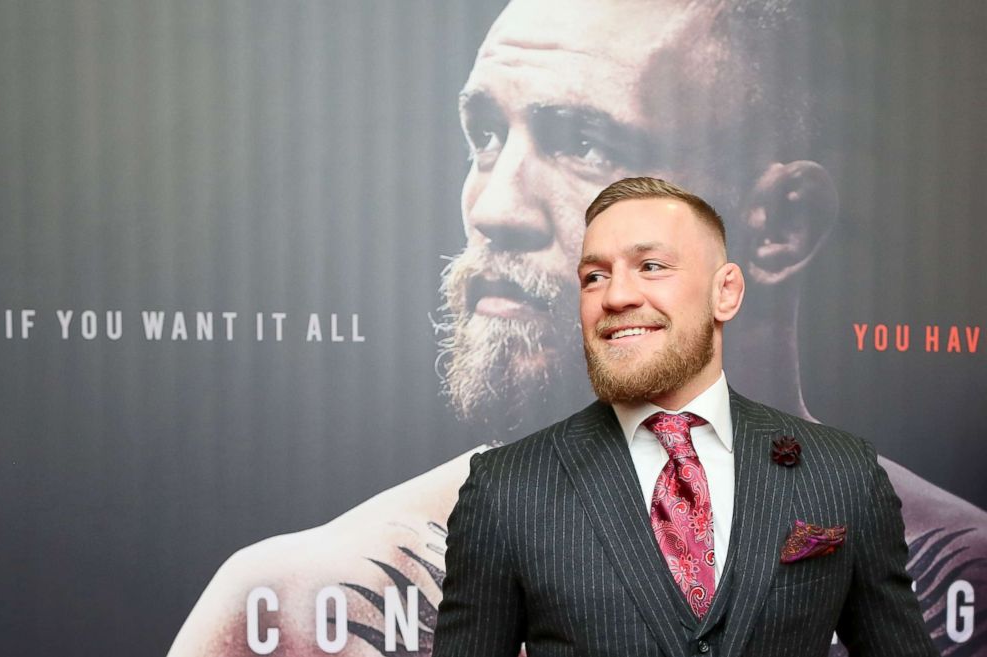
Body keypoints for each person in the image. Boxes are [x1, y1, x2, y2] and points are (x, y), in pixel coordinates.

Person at [170, 1, 986, 655]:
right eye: (485, 135)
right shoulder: (306, 614)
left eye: (582, 143)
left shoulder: (961, 587)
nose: (493, 208)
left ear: (776, 227)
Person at [432, 176, 938, 657]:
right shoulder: (506, 490)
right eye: (594, 276)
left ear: (727, 292)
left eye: (651, 266)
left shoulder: (842, 471)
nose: (616, 296)